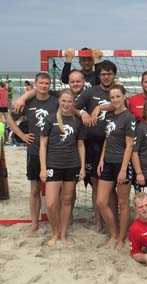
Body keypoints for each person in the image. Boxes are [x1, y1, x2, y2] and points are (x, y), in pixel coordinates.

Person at [7, 72, 58, 234]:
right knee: (35, 189)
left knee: (58, 190)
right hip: (34, 151)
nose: (44, 86)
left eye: (47, 84)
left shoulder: (55, 101)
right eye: (41, 83)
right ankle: (34, 223)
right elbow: (8, 117)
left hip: (54, 151)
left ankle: (57, 222)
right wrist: (21, 135)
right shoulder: (28, 102)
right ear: (36, 85)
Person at [39, 89, 86, 246]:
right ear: (59, 101)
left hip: (72, 165)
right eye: (63, 101)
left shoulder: (76, 122)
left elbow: (80, 145)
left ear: (73, 103)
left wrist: (82, 168)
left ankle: (63, 234)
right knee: (51, 203)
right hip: (53, 165)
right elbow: (43, 145)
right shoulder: (50, 119)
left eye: (69, 101)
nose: (66, 104)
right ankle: (55, 233)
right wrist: (43, 168)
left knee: (66, 201)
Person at [75, 60, 117, 231]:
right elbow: (74, 107)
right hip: (92, 143)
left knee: (111, 186)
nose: (106, 76)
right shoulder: (90, 91)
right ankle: (99, 222)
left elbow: (119, 103)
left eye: (109, 73)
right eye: (103, 74)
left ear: (114, 75)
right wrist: (83, 112)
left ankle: (113, 221)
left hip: (113, 144)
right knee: (96, 185)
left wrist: (99, 107)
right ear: (99, 76)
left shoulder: (117, 91)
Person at [96, 84, 135, 249]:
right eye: (112, 97)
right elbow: (107, 139)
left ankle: (121, 238)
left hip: (122, 164)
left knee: (123, 203)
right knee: (101, 202)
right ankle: (113, 233)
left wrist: (124, 168)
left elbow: (129, 146)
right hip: (108, 162)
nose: (115, 100)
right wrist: (101, 160)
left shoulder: (129, 118)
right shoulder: (109, 116)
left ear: (124, 96)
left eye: (118, 96)